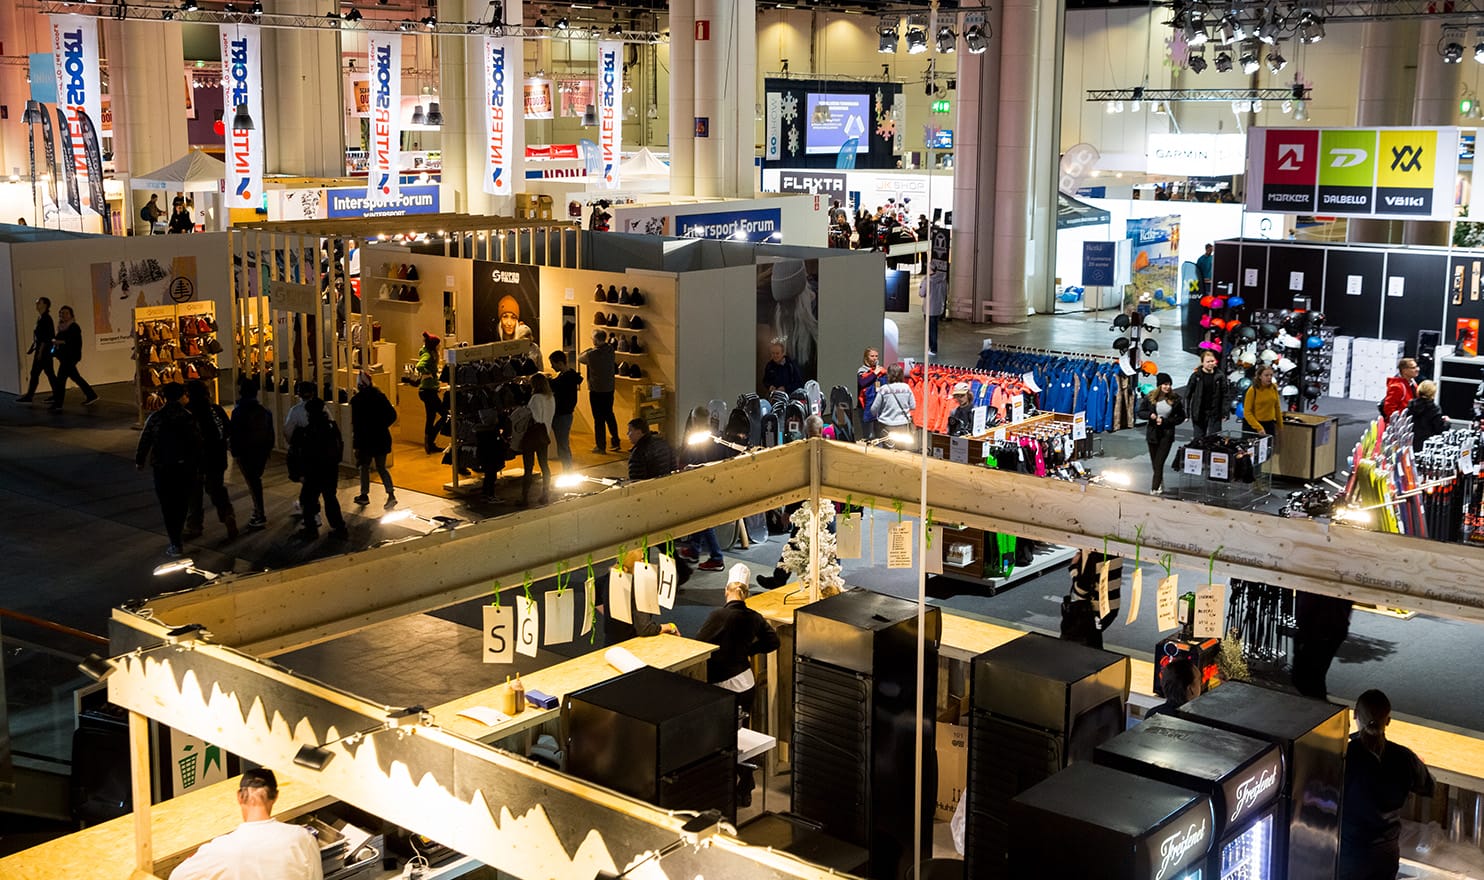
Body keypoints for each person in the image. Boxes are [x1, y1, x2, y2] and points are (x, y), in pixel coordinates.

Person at [696, 563, 781, 808]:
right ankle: (745, 784)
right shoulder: (754, 617)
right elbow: (772, 641)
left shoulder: (718, 616)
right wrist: (747, 651)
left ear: (726, 591)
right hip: (745, 681)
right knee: (743, 737)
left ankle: (722, 786)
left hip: (722, 685)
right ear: (747, 593)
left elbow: (699, 645)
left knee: (722, 738)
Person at [1339, 689, 1434, 880]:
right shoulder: (1404, 757)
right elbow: (1429, 787)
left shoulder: (1344, 755)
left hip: (1350, 852)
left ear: (1355, 715)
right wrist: (1417, 764)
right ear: (1388, 720)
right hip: (1386, 853)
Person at [170, 768, 323, 880]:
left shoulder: (219, 849)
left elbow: (176, 877)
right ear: (275, 797)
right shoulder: (302, 838)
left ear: (239, 797)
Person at [135, 382, 203, 557]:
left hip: (162, 466)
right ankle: (178, 536)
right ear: (181, 396)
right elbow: (197, 442)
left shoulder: (156, 417)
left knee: (167, 505)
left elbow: (145, 439)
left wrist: (140, 460)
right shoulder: (188, 417)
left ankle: (174, 541)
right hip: (184, 466)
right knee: (181, 504)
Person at [184, 379, 238, 541]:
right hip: (218, 458)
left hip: (195, 461)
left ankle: (194, 526)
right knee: (217, 490)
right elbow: (228, 430)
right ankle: (227, 515)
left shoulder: (187, 412)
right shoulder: (215, 409)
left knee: (194, 495)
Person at [677, 405, 728, 572]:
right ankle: (694, 549)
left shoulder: (698, 439)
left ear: (693, 420)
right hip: (712, 480)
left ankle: (716, 557)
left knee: (705, 521)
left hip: (702, 482)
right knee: (700, 517)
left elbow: (696, 459)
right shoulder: (714, 436)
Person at [290, 398, 348, 541]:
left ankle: (311, 530)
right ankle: (339, 528)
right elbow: (339, 444)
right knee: (330, 498)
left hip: (314, 471)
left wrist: (301, 471)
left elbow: (303, 452)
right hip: (330, 469)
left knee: (307, 500)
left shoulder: (308, 430)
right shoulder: (331, 426)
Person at [598, 549, 680, 644]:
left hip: (610, 644)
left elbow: (594, 589)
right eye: (642, 559)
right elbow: (645, 628)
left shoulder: (610, 577)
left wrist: (612, 617)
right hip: (631, 645)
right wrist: (670, 627)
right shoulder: (639, 585)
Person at [229, 375, 275, 530]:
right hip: (261, 450)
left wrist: (234, 452)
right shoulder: (264, 411)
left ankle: (259, 513)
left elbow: (234, 434)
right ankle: (258, 512)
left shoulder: (238, 412)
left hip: (245, 451)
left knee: (253, 482)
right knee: (256, 479)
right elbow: (270, 433)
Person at [1291, 591, 1353, 700]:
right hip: (1327, 627)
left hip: (1320, 628)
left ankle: (1317, 708)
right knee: (1312, 676)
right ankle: (1318, 707)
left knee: (1308, 677)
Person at [350, 371, 397, 509]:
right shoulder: (380, 396)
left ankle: (364, 495)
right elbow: (393, 415)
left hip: (365, 440)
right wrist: (382, 426)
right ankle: (391, 494)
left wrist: (356, 445)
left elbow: (356, 425)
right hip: (381, 437)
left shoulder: (357, 401)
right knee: (381, 467)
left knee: (364, 467)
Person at [1139, 372, 1186, 495]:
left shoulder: (1175, 399)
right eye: (1165, 384)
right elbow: (1140, 412)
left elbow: (1181, 417)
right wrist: (1150, 415)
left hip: (1167, 434)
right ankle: (1159, 481)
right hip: (1153, 434)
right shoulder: (1150, 397)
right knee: (1155, 463)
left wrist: (1166, 421)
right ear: (1159, 385)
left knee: (1159, 463)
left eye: (1169, 384)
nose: (1167, 387)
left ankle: (1154, 488)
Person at [48, 305, 99, 409]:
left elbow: (72, 342)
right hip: (65, 357)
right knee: (75, 377)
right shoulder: (61, 327)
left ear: (71, 315)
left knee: (61, 379)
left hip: (70, 357)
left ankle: (58, 403)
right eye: (61, 313)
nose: (63, 315)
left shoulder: (74, 327)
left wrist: (58, 342)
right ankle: (91, 395)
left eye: (66, 313)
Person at [580, 329, 620, 454]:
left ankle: (600, 445)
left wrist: (589, 349)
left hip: (596, 389)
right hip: (609, 388)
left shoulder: (592, 355)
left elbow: (580, 357)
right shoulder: (610, 350)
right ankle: (616, 441)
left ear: (596, 340)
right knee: (609, 414)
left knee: (598, 418)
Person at [519, 373, 554, 507]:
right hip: (544, 434)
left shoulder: (535, 398)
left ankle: (524, 498)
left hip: (533, 435)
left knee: (528, 467)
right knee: (544, 465)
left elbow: (533, 417)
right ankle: (545, 494)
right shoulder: (551, 398)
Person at [15, 296, 56, 403]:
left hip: (44, 351)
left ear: (45, 305)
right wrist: (33, 347)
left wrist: (40, 351)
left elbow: (46, 337)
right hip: (41, 350)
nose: (36, 305)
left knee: (37, 373)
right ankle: (57, 394)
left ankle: (30, 396)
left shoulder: (46, 318)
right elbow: (39, 336)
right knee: (48, 373)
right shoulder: (41, 318)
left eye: (39, 303)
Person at [548, 350, 583, 470]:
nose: (552, 366)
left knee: (563, 445)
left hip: (562, 415)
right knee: (562, 444)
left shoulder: (565, 379)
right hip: (564, 415)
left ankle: (567, 471)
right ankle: (567, 470)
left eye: (553, 363)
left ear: (560, 363)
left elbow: (554, 385)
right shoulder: (569, 377)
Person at [1185, 350, 1229, 439]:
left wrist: (1225, 412)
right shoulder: (1196, 376)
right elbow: (1187, 395)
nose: (1210, 363)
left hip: (1215, 412)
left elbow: (1225, 395)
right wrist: (1186, 413)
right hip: (1199, 412)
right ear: (1202, 363)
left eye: (1212, 361)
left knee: (1214, 438)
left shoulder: (1220, 376)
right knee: (1199, 438)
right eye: (1208, 362)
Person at [416, 331, 447, 454]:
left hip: (429, 390)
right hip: (428, 391)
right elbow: (419, 366)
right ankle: (430, 440)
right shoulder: (428, 355)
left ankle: (429, 443)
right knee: (444, 415)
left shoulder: (430, 354)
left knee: (431, 417)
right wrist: (428, 374)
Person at [869, 363, 916, 435]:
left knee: (887, 445)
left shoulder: (884, 389)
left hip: (886, 425)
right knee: (902, 446)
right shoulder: (906, 388)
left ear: (888, 375)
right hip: (903, 425)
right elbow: (913, 406)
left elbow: (873, 409)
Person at [1242, 364, 1282, 445]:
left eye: (1271, 375)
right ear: (1260, 376)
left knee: (1268, 451)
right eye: (1266, 375)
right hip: (1253, 426)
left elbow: (1277, 407)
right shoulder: (1252, 390)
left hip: (1269, 424)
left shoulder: (1274, 387)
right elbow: (1247, 412)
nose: (1269, 377)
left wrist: (1280, 425)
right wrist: (1258, 428)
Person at [1406, 380, 1448, 450]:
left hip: (1411, 442)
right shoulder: (1434, 409)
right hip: (1427, 445)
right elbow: (1440, 429)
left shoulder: (1411, 405)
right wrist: (1447, 422)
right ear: (1433, 393)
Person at [857, 347, 886, 439]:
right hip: (864, 407)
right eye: (872, 356)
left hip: (878, 406)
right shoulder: (862, 371)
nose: (875, 358)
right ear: (866, 358)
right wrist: (874, 373)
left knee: (879, 434)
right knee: (869, 434)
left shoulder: (880, 370)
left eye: (876, 356)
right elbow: (862, 383)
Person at [919, 266, 947, 357]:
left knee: (930, 329)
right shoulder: (942, 279)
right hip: (938, 308)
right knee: (934, 328)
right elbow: (945, 292)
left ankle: (932, 348)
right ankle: (933, 348)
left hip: (929, 308)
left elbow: (921, 293)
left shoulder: (927, 280)